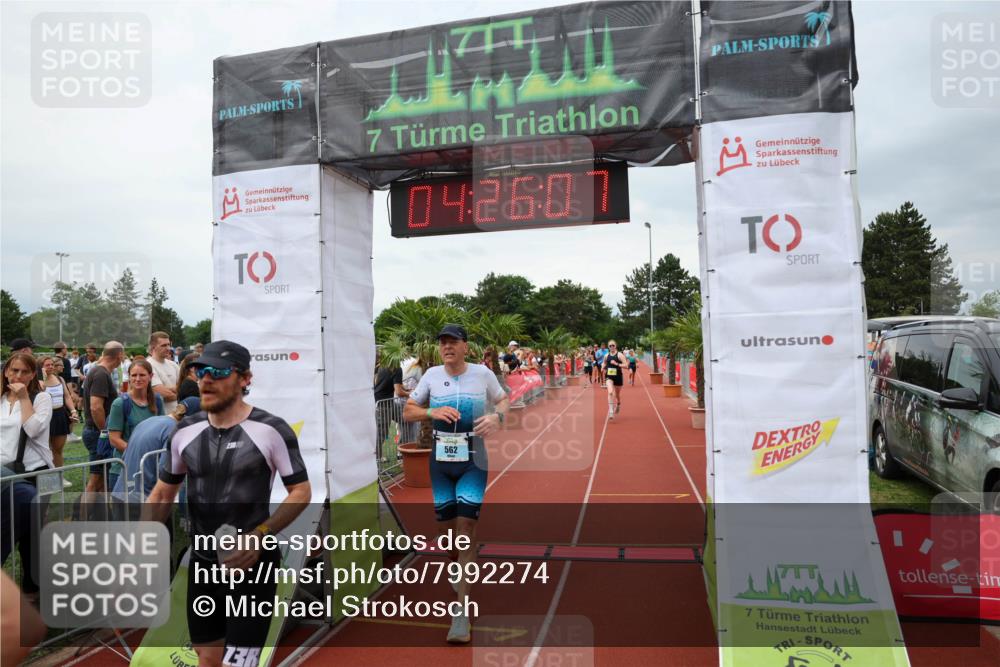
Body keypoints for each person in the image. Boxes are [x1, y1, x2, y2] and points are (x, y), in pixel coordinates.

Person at [144, 340, 311, 667]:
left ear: (245, 379)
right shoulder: (184, 431)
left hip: (253, 566)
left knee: (240, 662)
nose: (206, 379)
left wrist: (261, 533)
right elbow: (163, 493)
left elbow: (301, 491)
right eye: (200, 371)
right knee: (206, 658)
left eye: (218, 372)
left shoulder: (271, 430)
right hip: (203, 563)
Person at [403, 324, 509, 644]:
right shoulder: (432, 376)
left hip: (474, 457)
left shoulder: (482, 374)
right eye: (443, 343)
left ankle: (460, 612)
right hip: (440, 458)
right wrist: (432, 410)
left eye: (453, 342)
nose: (447, 347)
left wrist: (497, 417)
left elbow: (503, 401)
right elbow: (408, 411)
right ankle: (457, 565)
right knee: (447, 535)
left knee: (466, 528)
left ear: (466, 346)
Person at [1, 353, 53, 596]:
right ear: (6, 371)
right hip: (5, 473)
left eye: (23, 371)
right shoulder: (1, 398)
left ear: (33, 374)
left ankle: (33, 589)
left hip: (37, 472)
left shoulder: (41, 398)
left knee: (32, 535)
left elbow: (33, 430)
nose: (17, 376)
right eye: (13, 370)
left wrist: (23, 398)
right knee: (8, 527)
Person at [113, 397, 199, 502]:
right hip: (142, 499)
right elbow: (166, 472)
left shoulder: (148, 421)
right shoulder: (174, 432)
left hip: (120, 492)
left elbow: (125, 455)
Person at [106, 359, 164, 490]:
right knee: (125, 510)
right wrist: (140, 455)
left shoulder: (158, 400)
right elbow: (114, 439)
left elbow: (162, 432)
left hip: (151, 469)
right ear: (129, 377)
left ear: (150, 376)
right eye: (134, 375)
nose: (137, 379)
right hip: (124, 469)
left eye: (142, 375)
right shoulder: (120, 403)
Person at [82, 342, 125, 493]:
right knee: (96, 480)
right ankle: (83, 517)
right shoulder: (101, 374)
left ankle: (98, 514)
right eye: (123, 354)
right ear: (119, 355)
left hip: (95, 431)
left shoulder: (100, 371)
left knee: (101, 481)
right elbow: (96, 406)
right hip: (96, 433)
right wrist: (105, 432)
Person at [41, 356, 77, 471]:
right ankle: (45, 476)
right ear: (40, 367)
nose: (51, 367)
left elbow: (66, 397)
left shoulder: (60, 379)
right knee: (45, 449)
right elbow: (38, 395)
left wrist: (73, 410)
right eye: (47, 365)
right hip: (45, 416)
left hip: (60, 415)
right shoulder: (38, 381)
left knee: (58, 449)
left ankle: (58, 475)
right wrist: (43, 378)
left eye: (52, 364)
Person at [147, 332, 180, 414]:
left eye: (169, 344)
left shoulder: (173, 365)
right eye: (164, 345)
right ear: (153, 347)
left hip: (178, 416)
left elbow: (185, 388)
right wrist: (179, 392)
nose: (168, 348)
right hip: (160, 417)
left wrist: (168, 389)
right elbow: (163, 395)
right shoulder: (148, 365)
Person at [601, 340, 627, 420]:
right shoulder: (606, 355)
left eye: (613, 345)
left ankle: (618, 403)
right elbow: (604, 363)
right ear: (608, 347)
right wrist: (602, 367)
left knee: (617, 394)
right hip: (609, 376)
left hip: (618, 376)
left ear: (616, 346)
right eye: (610, 346)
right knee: (610, 392)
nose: (612, 347)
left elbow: (626, 365)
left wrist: (617, 364)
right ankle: (611, 411)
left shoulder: (620, 355)